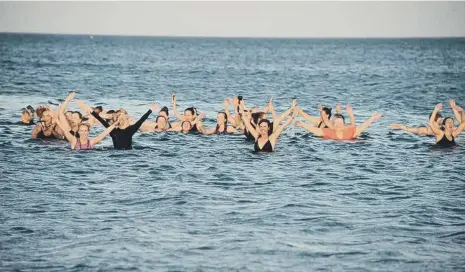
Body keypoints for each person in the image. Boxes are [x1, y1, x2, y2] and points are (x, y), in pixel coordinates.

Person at [80, 101, 155, 150]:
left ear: (126, 118)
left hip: (130, 155)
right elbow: (100, 119)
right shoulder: (113, 130)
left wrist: (150, 110)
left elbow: (141, 120)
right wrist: (87, 108)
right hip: (115, 156)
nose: (121, 118)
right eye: (119, 117)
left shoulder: (131, 129)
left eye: (122, 116)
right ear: (117, 119)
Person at [295, 104, 382, 140]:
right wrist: (302, 124)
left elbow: (363, 126)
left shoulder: (351, 131)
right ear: (333, 125)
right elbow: (313, 130)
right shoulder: (328, 131)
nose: (338, 125)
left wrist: (373, 118)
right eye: (336, 123)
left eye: (340, 123)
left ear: (344, 124)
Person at [52, 105, 116, 150]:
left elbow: (104, 133)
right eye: (82, 131)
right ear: (79, 132)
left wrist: (115, 124)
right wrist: (56, 119)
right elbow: (65, 130)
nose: (83, 133)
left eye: (85, 131)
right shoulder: (74, 140)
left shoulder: (91, 142)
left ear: (88, 132)